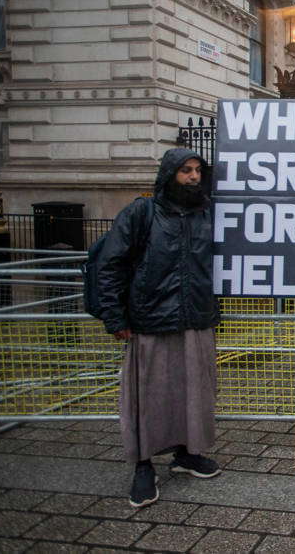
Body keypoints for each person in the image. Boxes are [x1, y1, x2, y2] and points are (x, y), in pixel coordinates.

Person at [95, 147, 221, 508]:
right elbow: (110, 264)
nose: (194, 177)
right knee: (147, 396)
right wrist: (114, 317)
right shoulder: (141, 212)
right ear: (170, 175)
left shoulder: (206, 214)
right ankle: (143, 466)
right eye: (185, 170)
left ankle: (186, 453)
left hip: (195, 318)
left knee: (194, 392)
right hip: (151, 320)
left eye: (197, 170)